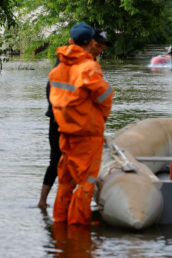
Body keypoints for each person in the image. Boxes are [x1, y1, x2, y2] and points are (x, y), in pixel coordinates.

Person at [37, 29, 111, 210]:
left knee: (63, 168)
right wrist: (102, 117)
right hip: (68, 124)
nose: (99, 49)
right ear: (90, 42)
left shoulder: (71, 60)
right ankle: (48, 204)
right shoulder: (82, 64)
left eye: (102, 47)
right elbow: (103, 97)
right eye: (97, 45)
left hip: (66, 122)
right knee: (63, 165)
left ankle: (57, 211)